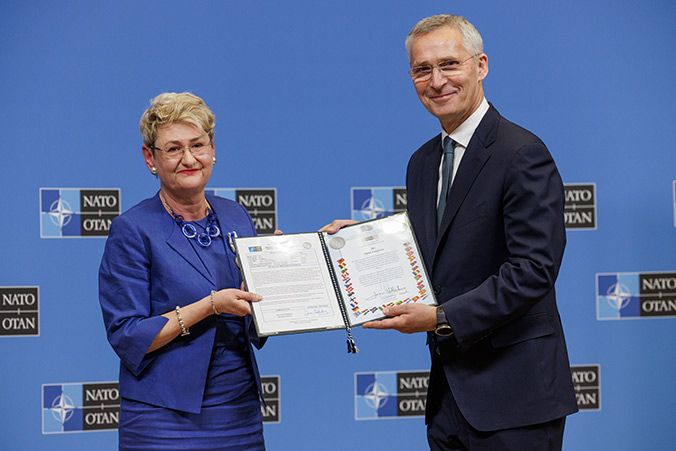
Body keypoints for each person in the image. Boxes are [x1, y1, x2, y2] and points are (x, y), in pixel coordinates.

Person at [322, 14, 578, 450]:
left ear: (481, 65)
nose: (436, 81)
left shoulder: (522, 153)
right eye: (423, 70)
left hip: (516, 398)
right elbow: (435, 248)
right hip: (448, 396)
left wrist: (441, 318)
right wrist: (364, 241)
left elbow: (534, 270)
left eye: (449, 65)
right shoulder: (422, 161)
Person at [99, 92, 266, 450]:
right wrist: (210, 305)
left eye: (197, 145)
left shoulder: (237, 216)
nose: (189, 159)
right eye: (173, 149)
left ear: (212, 148)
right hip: (163, 415)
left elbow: (257, 315)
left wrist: (277, 269)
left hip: (239, 411)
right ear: (150, 158)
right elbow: (127, 335)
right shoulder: (133, 229)